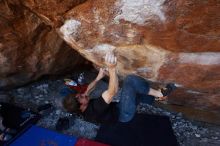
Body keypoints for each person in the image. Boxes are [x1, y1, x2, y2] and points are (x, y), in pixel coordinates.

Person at [63, 52, 175, 123]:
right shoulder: (94, 110)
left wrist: (98, 77)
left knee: (137, 94)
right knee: (130, 81)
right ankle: (160, 94)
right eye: (81, 97)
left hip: (117, 108)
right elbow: (113, 91)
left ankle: (156, 98)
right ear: (81, 107)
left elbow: (88, 90)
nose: (83, 94)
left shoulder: (80, 106)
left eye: (80, 95)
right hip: (123, 114)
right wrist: (112, 68)